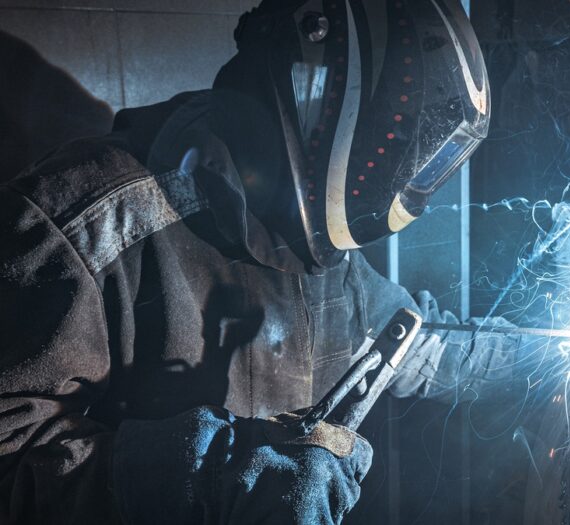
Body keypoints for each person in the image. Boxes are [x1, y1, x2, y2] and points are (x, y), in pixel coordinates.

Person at [0, 1, 530, 523]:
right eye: (386, 143)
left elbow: (420, 348)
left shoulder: (323, 258)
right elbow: (10, 454)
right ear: (315, 87)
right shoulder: (83, 222)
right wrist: (210, 478)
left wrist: (537, 358)